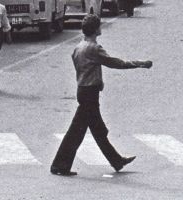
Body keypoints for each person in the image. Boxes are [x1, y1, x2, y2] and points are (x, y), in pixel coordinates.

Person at [50, 14, 153, 177]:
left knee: (97, 130)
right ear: (95, 29)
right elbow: (115, 63)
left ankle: (116, 161)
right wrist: (139, 64)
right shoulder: (94, 48)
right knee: (77, 132)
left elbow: (83, 69)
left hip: (83, 90)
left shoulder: (79, 47)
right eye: (99, 25)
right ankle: (59, 165)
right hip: (90, 94)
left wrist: (97, 80)